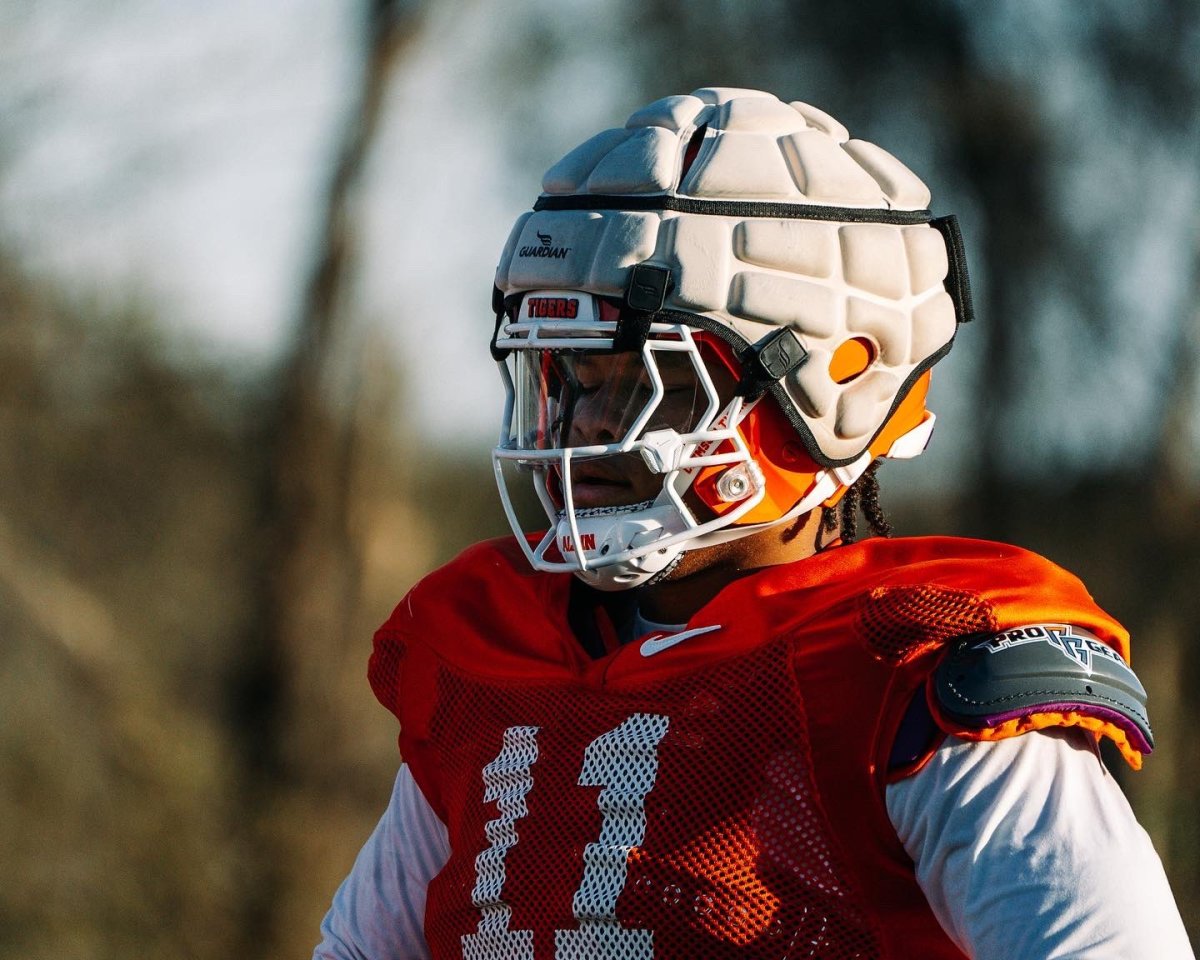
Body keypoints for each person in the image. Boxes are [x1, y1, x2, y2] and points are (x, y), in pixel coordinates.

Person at [314, 88, 1194, 959]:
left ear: (833, 392)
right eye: (574, 377)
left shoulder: (912, 679)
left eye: (649, 381)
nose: (585, 423)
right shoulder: (492, 656)